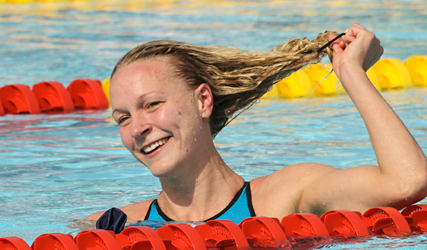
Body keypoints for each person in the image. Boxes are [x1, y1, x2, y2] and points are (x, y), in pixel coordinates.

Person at [87, 23, 427, 228]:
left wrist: (351, 73)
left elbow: (406, 183)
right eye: (123, 118)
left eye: (152, 105)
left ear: (203, 101)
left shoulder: (285, 198)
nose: (138, 128)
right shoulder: (115, 226)